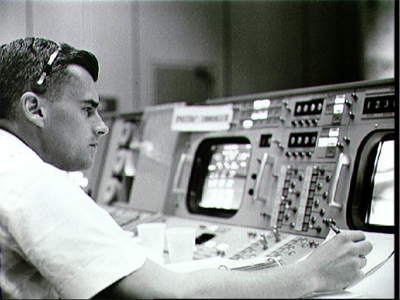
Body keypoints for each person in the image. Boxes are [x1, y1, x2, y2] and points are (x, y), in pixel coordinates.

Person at [0, 37, 373, 299]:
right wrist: (311, 273)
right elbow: (174, 295)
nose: (102, 125)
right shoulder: (32, 182)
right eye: (87, 109)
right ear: (34, 109)